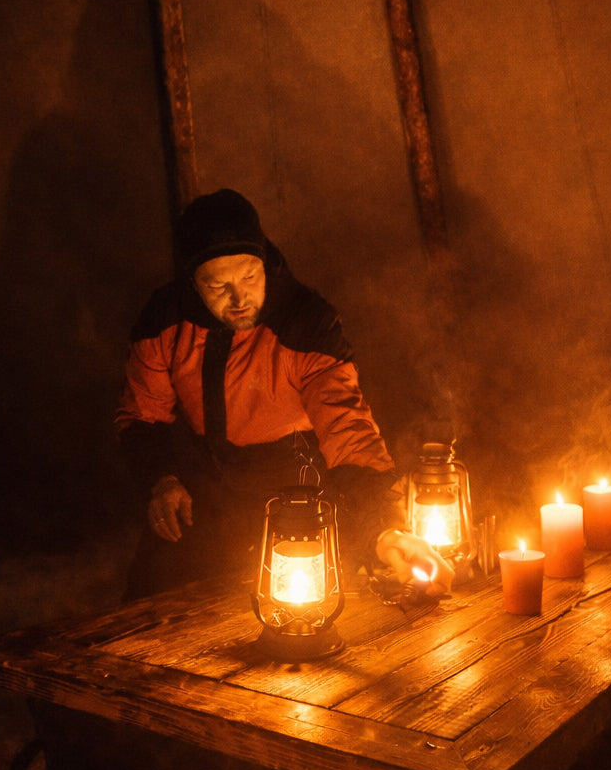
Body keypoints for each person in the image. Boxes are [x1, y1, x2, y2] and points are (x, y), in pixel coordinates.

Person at [115, 188, 452, 601]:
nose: (239, 298)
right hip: (205, 488)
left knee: (310, 599)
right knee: (155, 596)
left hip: (297, 483)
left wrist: (385, 526)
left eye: (249, 277)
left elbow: (346, 426)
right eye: (218, 284)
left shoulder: (304, 322)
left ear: (265, 263)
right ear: (192, 282)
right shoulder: (164, 320)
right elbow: (141, 415)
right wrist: (162, 480)